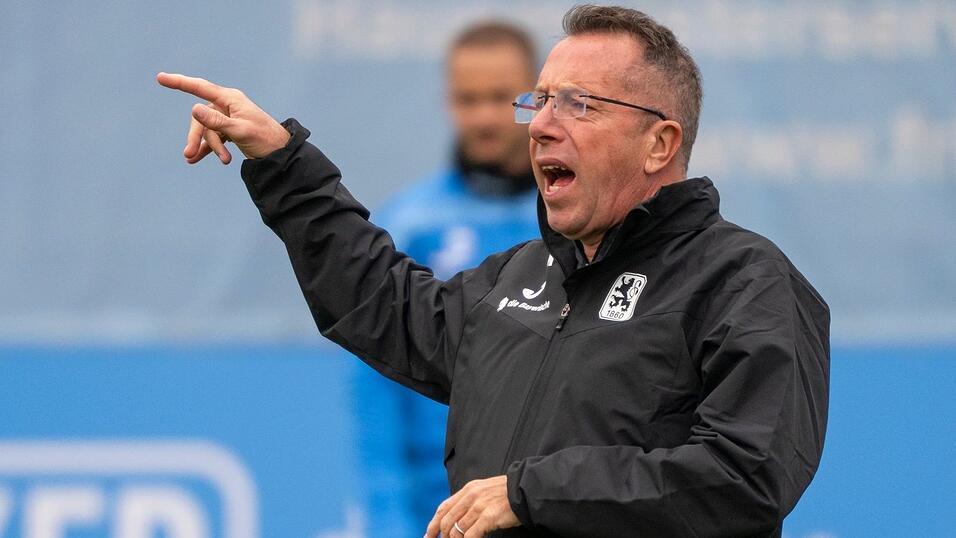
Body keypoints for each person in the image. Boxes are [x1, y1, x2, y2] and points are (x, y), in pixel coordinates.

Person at [157, 5, 830, 537]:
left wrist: (527, 494)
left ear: (660, 143)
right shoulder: (521, 278)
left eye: (579, 104)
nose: (539, 126)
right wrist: (281, 160)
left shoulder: (743, 280)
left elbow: (747, 475)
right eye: (539, 102)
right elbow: (381, 303)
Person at [354, 21, 539, 534]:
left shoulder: (578, 219)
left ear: (536, 98)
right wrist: (390, 522)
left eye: (500, 97)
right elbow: (377, 392)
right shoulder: (409, 226)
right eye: (467, 99)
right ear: (447, 102)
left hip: (553, 503)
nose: (483, 117)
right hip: (442, 515)